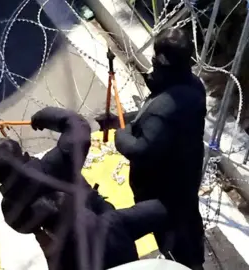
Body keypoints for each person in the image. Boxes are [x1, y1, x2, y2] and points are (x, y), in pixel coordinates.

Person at [0, 107, 168, 270]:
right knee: (167, 207)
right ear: (25, 156)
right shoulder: (53, 166)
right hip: (104, 232)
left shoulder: (9, 210)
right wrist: (45, 116)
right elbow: (78, 126)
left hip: (71, 257)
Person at [96, 28, 206, 270]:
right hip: (184, 183)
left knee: (175, 244)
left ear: (164, 62)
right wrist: (121, 119)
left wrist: (119, 133)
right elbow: (153, 118)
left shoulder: (164, 107)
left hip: (162, 194)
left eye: (156, 59)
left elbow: (140, 149)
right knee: (188, 230)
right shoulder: (193, 86)